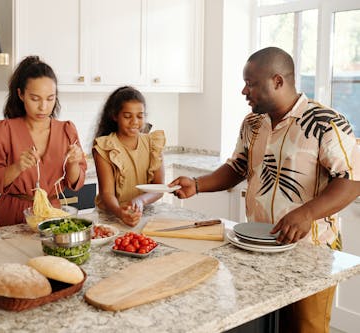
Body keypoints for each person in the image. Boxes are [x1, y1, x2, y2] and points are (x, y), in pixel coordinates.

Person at [170, 47, 360, 333]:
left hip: (310, 253)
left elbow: (352, 181)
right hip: (255, 246)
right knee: (261, 324)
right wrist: (197, 185)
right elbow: (237, 167)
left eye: (251, 83)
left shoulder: (326, 122)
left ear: (278, 81)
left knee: (305, 328)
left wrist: (306, 213)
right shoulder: (253, 122)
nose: (244, 90)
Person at [0, 55, 87, 226]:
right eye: (35, 98)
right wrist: (17, 167)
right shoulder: (4, 130)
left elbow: (75, 183)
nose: (43, 107)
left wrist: (74, 163)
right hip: (11, 216)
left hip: (52, 215)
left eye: (50, 98)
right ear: (21, 94)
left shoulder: (67, 130)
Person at [92, 86, 166, 226]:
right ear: (115, 116)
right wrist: (120, 212)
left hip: (144, 213)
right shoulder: (104, 147)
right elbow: (107, 194)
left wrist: (140, 201)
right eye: (127, 116)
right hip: (111, 216)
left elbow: (159, 188)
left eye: (140, 116)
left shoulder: (153, 144)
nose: (134, 122)